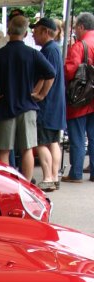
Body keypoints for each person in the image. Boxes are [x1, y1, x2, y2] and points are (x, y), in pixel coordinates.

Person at [0, 16, 55, 182]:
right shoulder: (33, 54)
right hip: (27, 107)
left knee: (4, 151)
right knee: (27, 149)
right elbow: (51, 73)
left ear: (8, 31)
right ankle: (26, 186)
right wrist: (41, 94)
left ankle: (7, 185)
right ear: (26, 33)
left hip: (6, 106)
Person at [31, 17, 66, 190]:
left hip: (47, 104)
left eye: (36, 31)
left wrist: (39, 94)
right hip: (56, 103)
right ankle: (54, 176)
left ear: (46, 32)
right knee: (53, 142)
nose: (33, 34)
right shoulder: (56, 49)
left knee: (42, 142)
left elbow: (47, 75)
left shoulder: (48, 51)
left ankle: (48, 178)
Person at [63, 12, 94, 183]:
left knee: (77, 137)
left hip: (81, 98)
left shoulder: (79, 46)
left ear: (81, 27)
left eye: (75, 27)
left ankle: (76, 173)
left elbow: (69, 71)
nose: (75, 30)